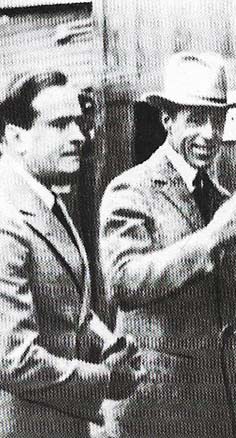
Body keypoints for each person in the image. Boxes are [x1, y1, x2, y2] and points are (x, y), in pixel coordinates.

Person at [100, 52, 236, 438]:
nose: (209, 134)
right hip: (156, 403)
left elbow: (211, 286)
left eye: (218, 120)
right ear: (167, 119)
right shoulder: (130, 189)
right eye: (196, 119)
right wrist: (212, 236)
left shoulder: (218, 198)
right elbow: (123, 284)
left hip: (215, 399)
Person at [0, 71, 145, 438]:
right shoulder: (6, 220)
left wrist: (107, 342)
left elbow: (67, 305)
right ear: (17, 137)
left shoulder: (44, 197)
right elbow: (14, 362)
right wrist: (106, 380)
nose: (79, 136)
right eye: (60, 124)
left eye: (79, 122)